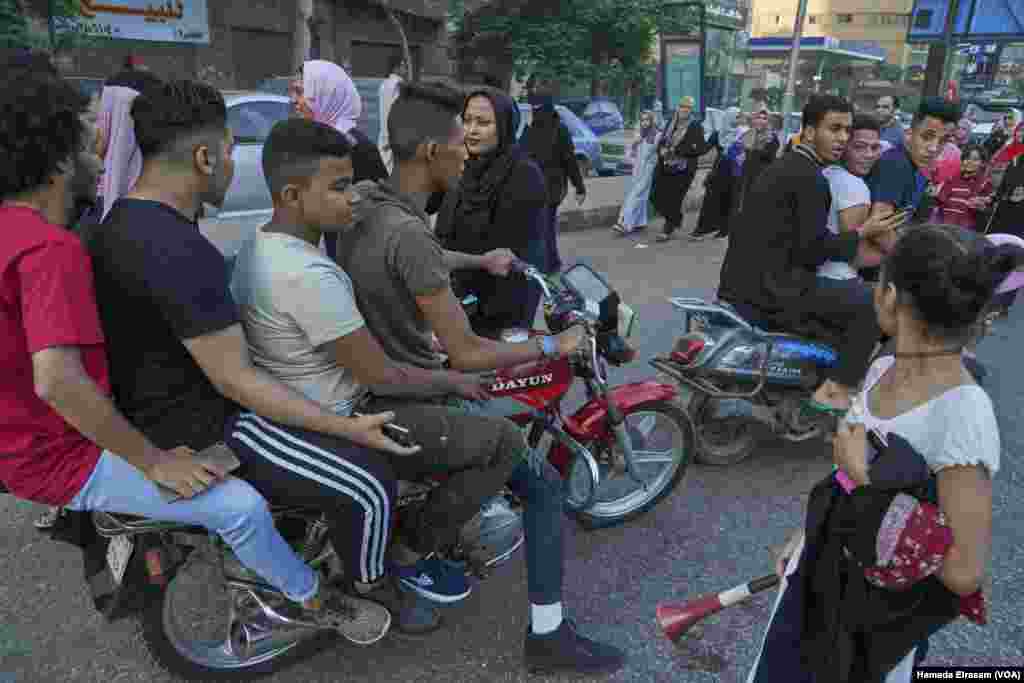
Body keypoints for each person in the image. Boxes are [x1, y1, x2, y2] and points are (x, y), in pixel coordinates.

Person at [0, 67, 384, 644]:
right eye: (85, 138)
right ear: (206, 158)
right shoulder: (65, 248)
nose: (99, 149)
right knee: (348, 486)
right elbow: (60, 379)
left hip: (60, 435)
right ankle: (312, 596)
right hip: (91, 446)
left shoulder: (105, 227)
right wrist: (156, 461)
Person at [87, 79, 419, 642]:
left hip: (145, 411)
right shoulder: (174, 247)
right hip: (203, 426)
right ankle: (362, 589)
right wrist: (345, 426)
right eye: (228, 149)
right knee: (369, 483)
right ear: (205, 155)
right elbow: (236, 379)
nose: (230, 168)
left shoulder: (119, 221)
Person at [336, 80, 627, 675]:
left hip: (372, 378)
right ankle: (535, 626)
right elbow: (466, 353)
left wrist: (478, 260)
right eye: (456, 139)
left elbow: (418, 259)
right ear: (428, 153)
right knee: (536, 478)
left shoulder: (367, 206)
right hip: (405, 393)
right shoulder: (410, 229)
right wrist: (555, 343)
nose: (467, 150)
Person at [748, 224, 1004, 683]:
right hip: (820, 576)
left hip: (873, 625)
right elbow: (845, 477)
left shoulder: (964, 415)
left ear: (889, 297)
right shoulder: (885, 364)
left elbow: (964, 572)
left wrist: (867, 486)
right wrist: (805, 536)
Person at [718, 94, 905, 424]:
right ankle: (839, 388)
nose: (842, 138)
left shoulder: (786, 166)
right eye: (834, 129)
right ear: (807, 130)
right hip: (774, 290)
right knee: (872, 301)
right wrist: (863, 233)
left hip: (744, 282)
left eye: (847, 130)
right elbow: (813, 250)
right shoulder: (810, 178)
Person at [433, 86, 550, 337]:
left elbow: (517, 254)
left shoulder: (523, 174)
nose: (472, 130)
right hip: (458, 300)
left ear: (505, 125)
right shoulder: (465, 168)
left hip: (502, 308)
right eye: (467, 121)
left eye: (483, 123)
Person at [290, 59, 388, 262]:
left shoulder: (357, 147)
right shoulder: (314, 141)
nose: (293, 100)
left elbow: (384, 206)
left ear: (322, 95)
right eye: (293, 91)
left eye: (300, 92)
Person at [520, 97, 585, 271]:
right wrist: (579, 187)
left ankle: (547, 261)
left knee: (542, 225)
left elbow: (569, 160)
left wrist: (579, 187)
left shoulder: (537, 131)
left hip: (541, 187)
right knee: (546, 225)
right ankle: (550, 261)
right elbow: (570, 161)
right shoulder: (553, 130)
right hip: (546, 188)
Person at [818, 114, 884, 281]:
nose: (869, 154)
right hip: (839, 279)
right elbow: (856, 254)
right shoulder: (853, 185)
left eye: (874, 148)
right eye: (859, 147)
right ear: (844, 146)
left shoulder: (825, 173)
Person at [651, 96, 716, 242]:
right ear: (678, 107)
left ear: (691, 110)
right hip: (665, 164)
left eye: (687, 108)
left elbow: (699, 149)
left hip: (684, 168)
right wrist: (661, 149)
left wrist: (678, 151)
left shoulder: (695, 126)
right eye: (682, 106)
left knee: (674, 199)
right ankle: (676, 218)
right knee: (655, 194)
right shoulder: (671, 121)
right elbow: (662, 140)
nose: (684, 110)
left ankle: (668, 228)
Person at [724, 105, 781, 239]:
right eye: (758, 118)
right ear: (753, 120)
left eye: (764, 118)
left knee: (755, 207)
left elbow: (768, 157)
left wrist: (751, 151)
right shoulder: (747, 134)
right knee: (738, 205)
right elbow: (734, 151)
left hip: (760, 178)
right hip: (742, 176)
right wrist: (737, 155)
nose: (761, 121)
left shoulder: (771, 138)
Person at [613, 109, 660, 235]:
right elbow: (631, 154)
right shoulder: (638, 133)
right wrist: (634, 143)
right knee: (640, 195)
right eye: (642, 120)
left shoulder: (657, 134)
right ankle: (640, 222)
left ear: (652, 121)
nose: (645, 122)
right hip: (637, 169)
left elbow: (655, 154)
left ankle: (625, 223)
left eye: (647, 120)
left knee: (635, 195)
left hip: (648, 170)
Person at [935, 144, 993, 230]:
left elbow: (988, 212)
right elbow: (940, 203)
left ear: (983, 163)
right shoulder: (952, 179)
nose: (970, 161)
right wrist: (936, 193)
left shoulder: (985, 183)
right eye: (967, 158)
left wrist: (982, 208)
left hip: (964, 232)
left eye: (975, 159)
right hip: (942, 228)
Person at [377, 55, 406, 174]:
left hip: (384, 135)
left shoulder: (384, 85)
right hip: (396, 136)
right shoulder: (399, 85)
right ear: (396, 68)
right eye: (403, 66)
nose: (406, 69)